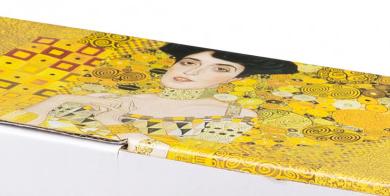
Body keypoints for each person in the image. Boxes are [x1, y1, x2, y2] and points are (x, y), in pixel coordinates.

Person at [18, 43, 299, 157]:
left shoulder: (236, 115)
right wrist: (55, 99)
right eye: (189, 62)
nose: (193, 72)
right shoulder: (109, 98)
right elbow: (19, 127)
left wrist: (114, 123)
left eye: (220, 68)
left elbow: (181, 160)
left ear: (234, 80)